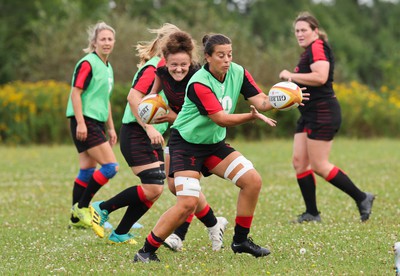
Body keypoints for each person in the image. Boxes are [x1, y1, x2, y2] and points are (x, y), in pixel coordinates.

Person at [134, 33, 277, 263]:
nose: (227, 59)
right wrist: (251, 118)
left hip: (212, 144)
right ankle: (145, 251)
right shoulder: (199, 82)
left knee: (252, 181)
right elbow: (220, 118)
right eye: (221, 55)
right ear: (208, 57)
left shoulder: (238, 72)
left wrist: (285, 98)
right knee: (187, 203)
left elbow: (261, 101)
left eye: (230, 54)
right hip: (186, 145)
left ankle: (240, 241)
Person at [86, 23, 178, 244]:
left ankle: (120, 233)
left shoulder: (171, 68)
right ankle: (102, 207)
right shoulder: (154, 68)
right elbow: (133, 98)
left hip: (152, 134)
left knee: (155, 190)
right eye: (176, 43)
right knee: (153, 185)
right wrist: (149, 127)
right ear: (165, 46)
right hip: (137, 133)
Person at [279, 11, 375, 223]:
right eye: (297, 31)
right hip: (308, 113)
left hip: (323, 112)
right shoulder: (308, 51)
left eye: (304, 30)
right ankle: (312, 213)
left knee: (320, 165)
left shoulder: (317, 46)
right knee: (299, 162)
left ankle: (362, 197)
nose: (300, 34)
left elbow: (321, 77)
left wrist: (290, 76)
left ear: (315, 31)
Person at [150, 31, 228, 252]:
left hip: (200, 137)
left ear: (191, 62)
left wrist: (174, 117)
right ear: (166, 62)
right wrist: (150, 112)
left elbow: (206, 114)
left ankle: (178, 236)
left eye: (183, 64)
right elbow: (152, 96)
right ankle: (215, 223)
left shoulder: (199, 77)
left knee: (187, 189)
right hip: (179, 134)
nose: (179, 69)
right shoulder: (161, 72)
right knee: (175, 186)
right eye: (174, 64)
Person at [66, 22, 118, 229]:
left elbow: (105, 99)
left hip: (96, 121)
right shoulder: (88, 63)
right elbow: (75, 92)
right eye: (102, 39)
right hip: (85, 121)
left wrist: (111, 127)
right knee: (110, 167)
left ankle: (75, 219)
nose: (106, 42)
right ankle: (83, 207)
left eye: (110, 39)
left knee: (87, 169)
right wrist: (80, 123)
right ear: (94, 42)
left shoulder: (108, 67)